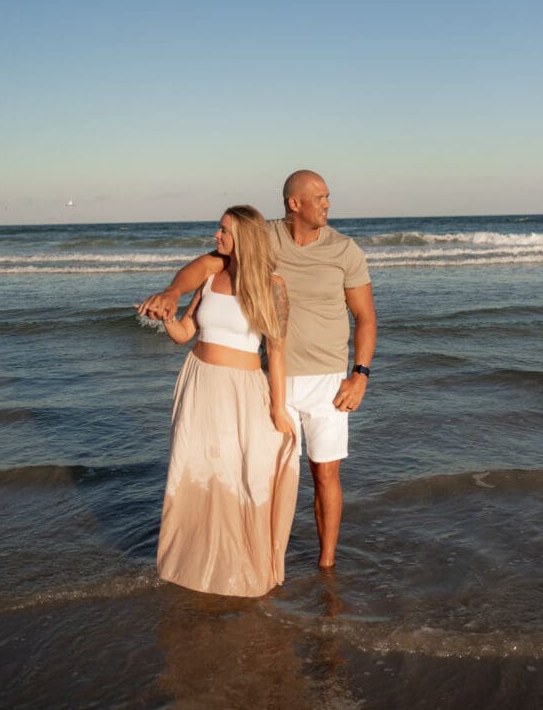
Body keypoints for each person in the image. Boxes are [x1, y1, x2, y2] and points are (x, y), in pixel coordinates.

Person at [137, 171, 377, 569]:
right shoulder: (262, 237)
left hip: (327, 381)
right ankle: (262, 556)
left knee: (325, 474)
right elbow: (208, 265)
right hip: (268, 379)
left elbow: (366, 318)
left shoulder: (345, 250)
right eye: (319, 197)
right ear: (293, 203)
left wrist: (360, 374)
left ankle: (327, 564)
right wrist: (173, 292)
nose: (327, 203)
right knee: (264, 475)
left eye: (328, 196)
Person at [136, 204, 298, 598]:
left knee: (239, 474)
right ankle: (192, 565)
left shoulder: (272, 286)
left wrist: (278, 408)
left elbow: (276, 353)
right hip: (198, 382)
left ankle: (240, 567)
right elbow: (185, 333)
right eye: (218, 229)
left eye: (223, 230)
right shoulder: (210, 277)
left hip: (241, 390)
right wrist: (166, 317)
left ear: (243, 236)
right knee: (196, 470)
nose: (216, 236)